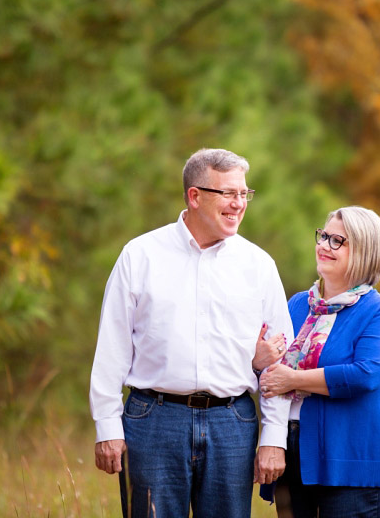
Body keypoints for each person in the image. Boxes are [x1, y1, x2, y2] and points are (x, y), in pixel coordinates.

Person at [89, 148, 294, 518]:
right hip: (153, 420)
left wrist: (274, 437)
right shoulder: (140, 256)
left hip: (233, 423)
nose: (239, 204)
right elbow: (112, 348)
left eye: (244, 194)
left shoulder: (259, 265)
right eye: (228, 193)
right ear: (195, 196)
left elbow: (282, 363)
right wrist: (107, 425)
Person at [259, 206, 380, 518]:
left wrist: (294, 380)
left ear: (365, 251)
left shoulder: (379, 311)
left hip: (350, 459)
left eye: (338, 241)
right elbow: (269, 364)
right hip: (295, 453)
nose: (324, 245)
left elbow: (366, 374)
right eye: (323, 236)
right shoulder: (298, 304)